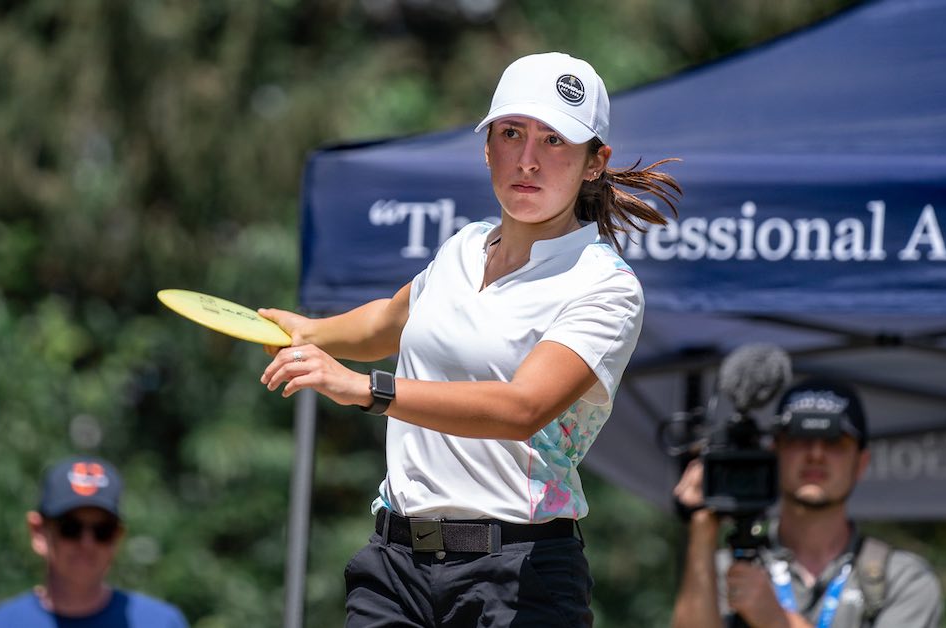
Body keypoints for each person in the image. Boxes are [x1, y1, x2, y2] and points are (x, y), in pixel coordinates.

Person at [258, 52, 681, 626]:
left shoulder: (605, 285)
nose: (527, 160)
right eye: (512, 134)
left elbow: (521, 408)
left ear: (594, 162)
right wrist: (310, 332)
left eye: (554, 140)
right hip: (393, 567)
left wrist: (366, 390)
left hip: (519, 574)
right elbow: (389, 320)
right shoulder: (464, 244)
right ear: (487, 148)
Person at [671, 378, 942, 628]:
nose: (815, 454)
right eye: (799, 438)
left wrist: (777, 621)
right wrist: (702, 530)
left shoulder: (903, 579)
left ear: (861, 463)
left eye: (834, 441)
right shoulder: (725, 568)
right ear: (774, 453)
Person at [0, 456, 188, 628]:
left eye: (102, 531)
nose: (87, 543)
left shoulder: (160, 623)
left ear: (118, 537)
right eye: (71, 528)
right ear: (39, 532)